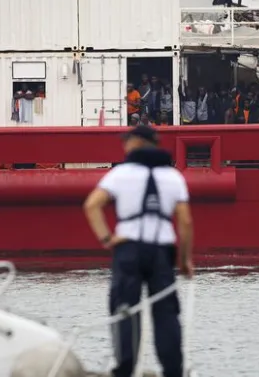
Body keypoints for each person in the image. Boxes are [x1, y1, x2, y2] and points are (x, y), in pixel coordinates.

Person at [83, 125, 194, 377]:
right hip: (161, 252)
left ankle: (125, 369)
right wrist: (185, 260)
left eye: (128, 140)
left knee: (125, 309)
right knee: (166, 313)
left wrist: (107, 239)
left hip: (128, 249)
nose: (124, 144)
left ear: (139, 142)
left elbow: (91, 205)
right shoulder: (173, 176)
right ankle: (173, 371)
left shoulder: (120, 174)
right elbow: (186, 222)